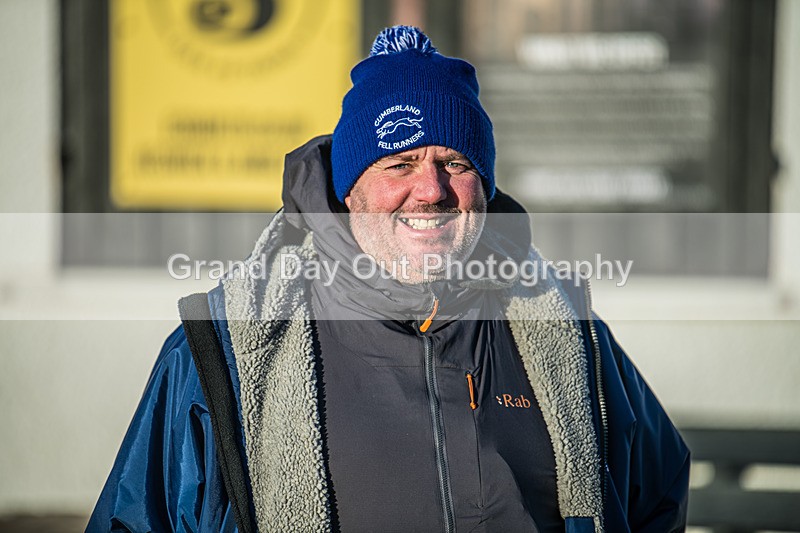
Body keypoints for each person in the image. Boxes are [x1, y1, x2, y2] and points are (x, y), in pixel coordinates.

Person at [88, 26, 689, 533]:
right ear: (349, 190)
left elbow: (658, 491)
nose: (430, 192)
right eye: (399, 164)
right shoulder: (229, 348)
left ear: (484, 186)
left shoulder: (563, 330)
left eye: (455, 164)